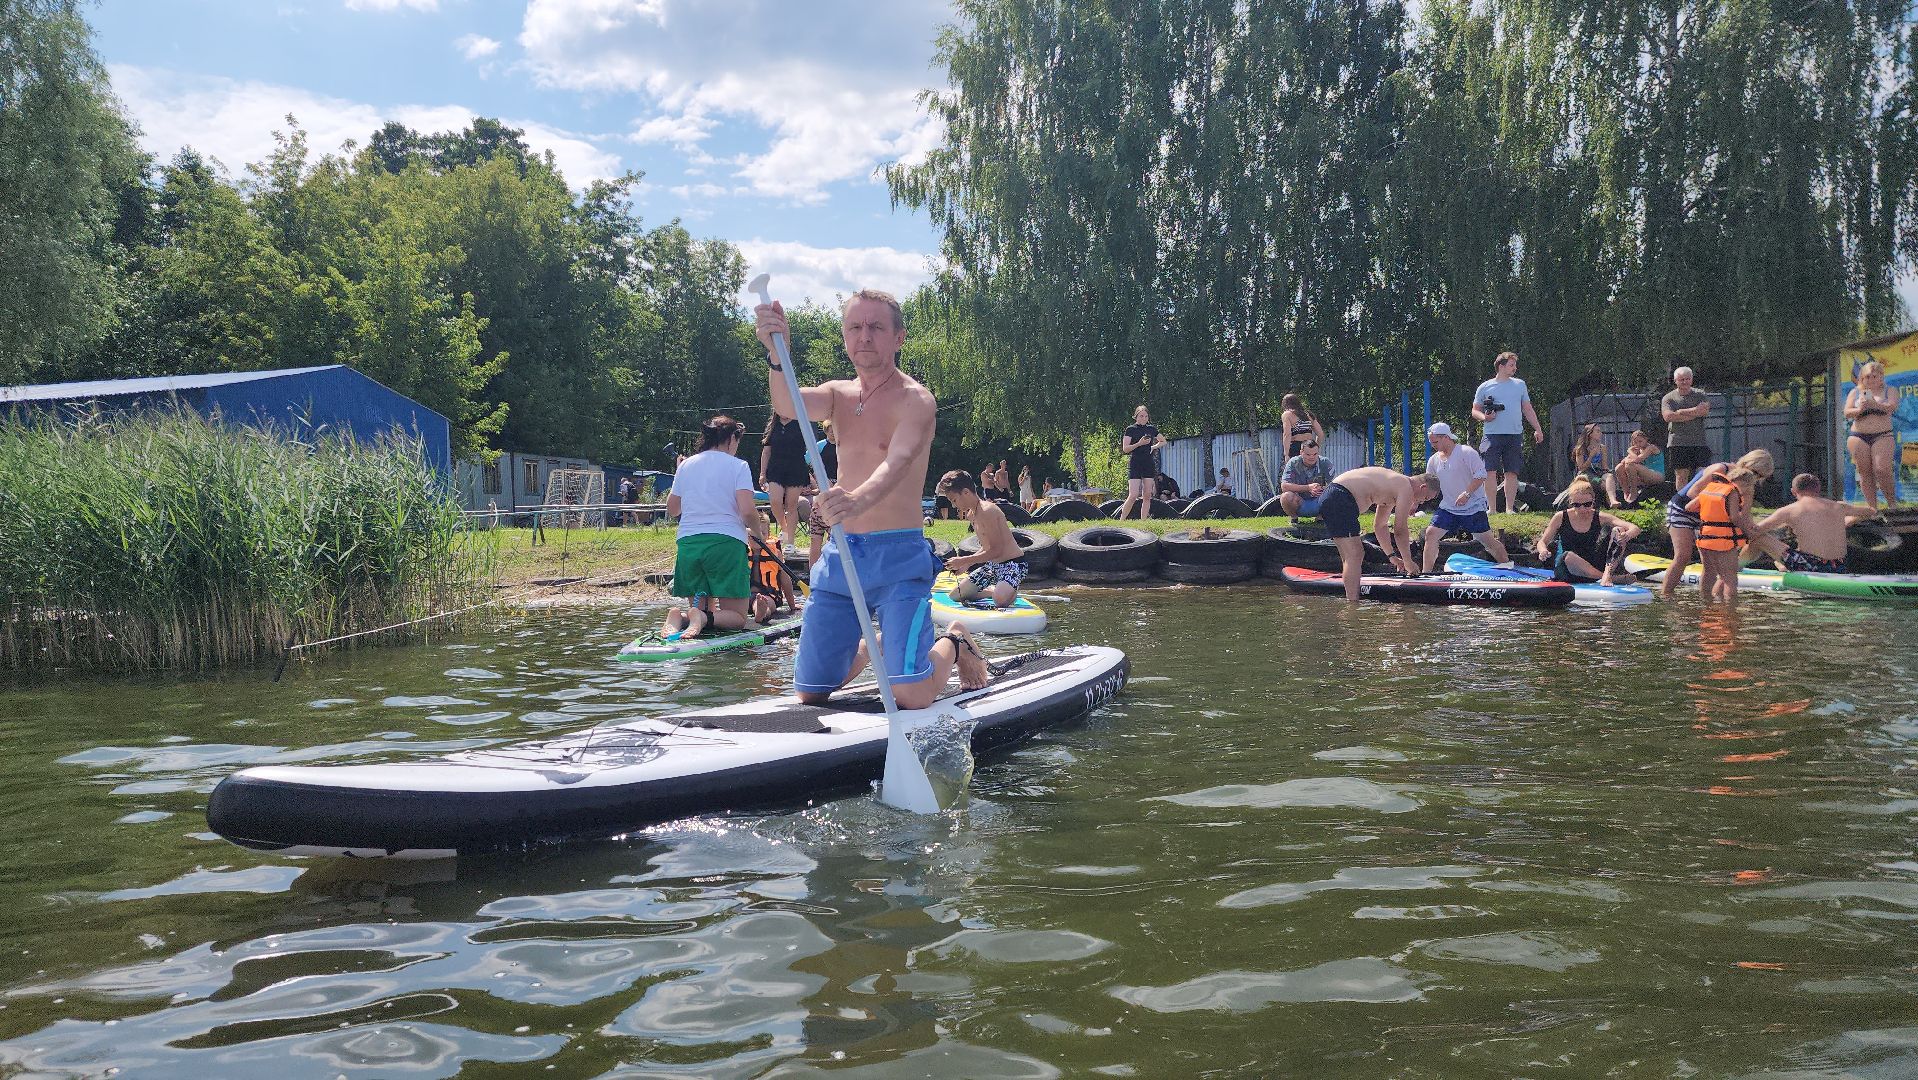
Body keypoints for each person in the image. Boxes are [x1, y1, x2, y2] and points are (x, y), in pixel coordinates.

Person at [755, 288, 988, 707]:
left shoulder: (917, 400)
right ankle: (880, 645)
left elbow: (897, 462)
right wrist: (777, 354)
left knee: (910, 695)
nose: (864, 336)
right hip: (843, 553)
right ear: (845, 336)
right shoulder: (837, 395)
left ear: (898, 337)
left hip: (899, 556)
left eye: (876, 327)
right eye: (855, 327)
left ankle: (954, 641)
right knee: (812, 691)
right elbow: (787, 403)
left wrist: (856, 500)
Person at [660, 416, 760, 640]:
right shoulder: (739, 466)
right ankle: (702, 618)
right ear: (731, 438)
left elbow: (673, 509)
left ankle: (682, 617)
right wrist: (758, 532)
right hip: (726, 544)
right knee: (738, 618)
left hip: (689, 544)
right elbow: (747, 511)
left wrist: (682, 474)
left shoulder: (686, 466)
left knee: (699, 609)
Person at [1660, 448, 1785, 600]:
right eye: (1755, 472)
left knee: (1710, 565)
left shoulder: (1747, 486)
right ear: (1747, 463)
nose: (1755, 478)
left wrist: (1755, 532)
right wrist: (1722, 501)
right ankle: (1666, 596)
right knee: (1683, 555)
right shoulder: (1721, 469)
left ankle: (1707, 602)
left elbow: (1745, 516)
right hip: (1682, 509)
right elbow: (1692, 493)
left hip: (1710, 518)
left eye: (1760, 477)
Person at [1320, 466, 1438, 601]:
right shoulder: (1406, 488)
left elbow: (1380, 526)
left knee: (1350, 557)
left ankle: (1351, 601)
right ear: (1423, 487)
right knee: (1355, 554)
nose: (1421, 502)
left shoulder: (1393, 487)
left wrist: (1392, 556)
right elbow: (1400, 530)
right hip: (1340, 496)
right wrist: (1408, 562)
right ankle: (1352, 604)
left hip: (1334, 496)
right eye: (1426, 498)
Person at [1419, 422, 1512, 573]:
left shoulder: (1466, 452)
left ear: (1446, 437)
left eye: (1435, 442)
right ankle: (1426, 574)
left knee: (1488, 541)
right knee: (1431, 534)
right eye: (1431, 442)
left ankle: (1508, 568)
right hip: (1448, 508)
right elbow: (1428, 484)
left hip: (1473, 507)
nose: (1432, 445)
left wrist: (1467, 493)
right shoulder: (1433, 460)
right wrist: (1416, 502)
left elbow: (1481, 474)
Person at [1750, 473, 1883, 573]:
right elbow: (1871, 512)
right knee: (1793, 553)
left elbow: (1755, 531)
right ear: (1818, 489)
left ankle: (1739, 567)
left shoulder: (1789, 510)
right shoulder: (1839, 506)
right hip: (1839, 566)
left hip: (1811, 567)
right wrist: (1852, 519)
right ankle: (1782, 566)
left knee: (1758, 539)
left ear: (1793, 492)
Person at [936, 470, 1027, 609]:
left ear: (966, 492)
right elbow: (986, 547)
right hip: (992, 566)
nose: (954, 505)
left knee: (1000, 601)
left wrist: (964, 560)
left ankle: (1006, 592)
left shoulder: (988, 511)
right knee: (955, 595)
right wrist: (967, 564)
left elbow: (996, 550)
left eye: (954, 500)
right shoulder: (971, 515)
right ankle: (994, 591)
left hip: (1013, 564)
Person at [1471, 351, 1544, 514]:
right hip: (1491, 435)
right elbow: (1475, 411)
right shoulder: (1485, 386)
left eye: (1515, 365)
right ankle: (1491, 509)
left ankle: (1509, 508)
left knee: (1512, 471)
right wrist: (1485, 417)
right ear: (1501, 366)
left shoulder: (1520, 385)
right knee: (1489, 471)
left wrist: (1538, 429)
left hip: (1514, 434)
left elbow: (1527, 408)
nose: (1515, 368)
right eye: (1511, 365)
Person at [1532, 479, 1639, 586]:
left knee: (1619, 530)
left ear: (1593, 501)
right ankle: (1610, 578)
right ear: (1570, 503)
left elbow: (1634, 528)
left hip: (1593, 564)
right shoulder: (1560, 517)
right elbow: (1542, 542)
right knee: (1569, 556)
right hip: (1568, 569)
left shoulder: (1600, 516)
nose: (1582, 509)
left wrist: (1627, 535)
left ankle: (1607, 574)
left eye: (1587, 504)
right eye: (1577, 505)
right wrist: (1543, 551)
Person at [1845, 360, 1903, 509]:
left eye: (1874, 376)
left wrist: (1874, 404)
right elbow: (1847, 412)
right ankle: (1872, 508)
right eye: (1867, 377)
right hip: (1858, 435)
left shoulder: (1890, 390)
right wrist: (1859, 409)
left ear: (1881, 377)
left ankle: (1892, 504)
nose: (1870, 380)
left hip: (1882, 435)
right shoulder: (1855, 392)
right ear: (1862, 378)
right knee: (1864, 472)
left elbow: (1892, 407)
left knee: (1882, 469)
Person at [1661, 365, 1712, 491]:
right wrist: (1695, 412)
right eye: (1681, 379)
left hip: (1699, 441)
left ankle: (1699, 498)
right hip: (1678, 442)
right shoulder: (1668, 398)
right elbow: (1668, 417)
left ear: (1692, 379)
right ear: (1675, 381)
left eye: (1687, 379)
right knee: (1681, 475)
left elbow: (1704, 411)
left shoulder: (1700, 394)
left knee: (1703, 473)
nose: (1685, 382)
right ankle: (1682, 500)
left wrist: (1681, 412)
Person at [1119, 404, 1168, 520]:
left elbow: (1163, 441)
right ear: (1136, 417)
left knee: (1147, 494)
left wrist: (1153, 447)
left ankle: (1143, 521)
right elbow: (1125, 449)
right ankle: (1121, 519)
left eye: (1146, 416)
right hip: (1135, 463)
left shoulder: (1151, 429)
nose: (1144, 418)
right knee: (1133, 494)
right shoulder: (1131, 429)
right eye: (1141, 416)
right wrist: (1139, 444)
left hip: (1148, 463)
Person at [1278, 439, 1333, 520]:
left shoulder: (1325, 462)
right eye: (1308, 454)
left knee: (1336, 494)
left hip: (1319, 501)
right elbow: (1284, 486)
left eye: (1315, 454)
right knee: (1285, 497)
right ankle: (1294, 518)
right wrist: (1308, 488)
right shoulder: (1293, 463)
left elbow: (1334, 485)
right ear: (1301, 452)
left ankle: (1321, 518)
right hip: (1299, 502)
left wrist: (1321, 489)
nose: (1312, 457)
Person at [1611, 429, 1666, 506]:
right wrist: (1630, 456)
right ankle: (1626, 492)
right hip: (1644, 476)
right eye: (1635, 442)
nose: (1638, 444)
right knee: (1619, 467)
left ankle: (1634, 492)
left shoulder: (1651, 447)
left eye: (1640, 441)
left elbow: (1638, 459)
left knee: (1631, 465)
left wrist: (1630, 451)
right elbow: (1623, 462)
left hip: (1657, 475)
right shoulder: (1637, 450)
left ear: (1646, 439)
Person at [1572, 423, 1611, 504]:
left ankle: (1612, 501)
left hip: (1598, 471)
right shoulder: (1581, 449)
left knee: (1609, 478)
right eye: (1598, 431)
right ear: (1590, 434)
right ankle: (1608, 502)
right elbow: (1581, 468)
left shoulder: (1602, 448)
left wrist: (1607, 472)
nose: (1601, 433)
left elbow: (1604, 466)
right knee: (1603, 484)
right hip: (1586, 473)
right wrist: (1591, 456)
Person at [1281, 393, 1325, 461]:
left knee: (1293, 467)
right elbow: (1320, 434)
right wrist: (1315, 449)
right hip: (1309, 445)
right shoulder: (1308, 414)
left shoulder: (1287, 414)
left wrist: (1286, 454)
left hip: (1296, 447)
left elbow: (1287, 434)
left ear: (1285, 404)